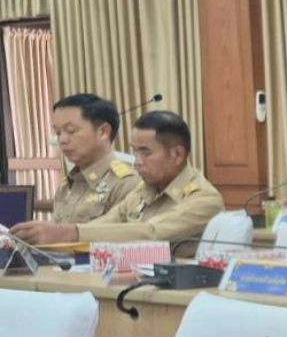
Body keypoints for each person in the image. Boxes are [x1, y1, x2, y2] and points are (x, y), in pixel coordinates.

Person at [12, 110, 223, 246]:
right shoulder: (143, 191)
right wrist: (53, 233)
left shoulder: (204, 199)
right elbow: (106, 223)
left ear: (176, 154)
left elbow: (151, 233)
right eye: (135, 151)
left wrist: (68, 233)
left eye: (146, 152)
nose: (137, 161)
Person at [45, 94, 140, 224]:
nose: (62, 140)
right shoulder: (65, 187)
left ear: (103, 132)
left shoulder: (127, 184)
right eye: (58, 133)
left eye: (71, 130)